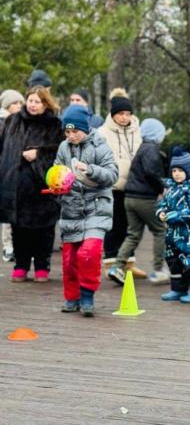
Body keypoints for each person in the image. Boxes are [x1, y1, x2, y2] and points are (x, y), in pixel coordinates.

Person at [55, 105, 118, 316]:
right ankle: (71, 297)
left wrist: (90, 170)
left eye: (75, 131)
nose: (71, 136)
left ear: (85, 129)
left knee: (89, 252)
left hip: (96, 208)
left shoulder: (100, 145)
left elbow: (112, 174)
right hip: (71, 209)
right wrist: (57, 184)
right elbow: (57, 170)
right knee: (70, 259)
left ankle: (87, 294)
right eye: (67, 132)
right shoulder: (63, 148)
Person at [0, 86, 63, 282]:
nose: (33, 105)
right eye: (30, 101)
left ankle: (42, 266)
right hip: (17, 184)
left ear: (45, 104)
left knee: (43, 230)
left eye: (38, 101)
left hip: (42, 186)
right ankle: (21, 265)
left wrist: (39, 153)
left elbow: (59, 151)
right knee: (19, 228)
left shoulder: (54, 124)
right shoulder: (13, 121)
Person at [108, 118, 169, 285]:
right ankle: (158, 270)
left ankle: (117, 267)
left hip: (130, 198)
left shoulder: (142, 147)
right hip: (145, 199)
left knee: (133, 235)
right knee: (160, 231)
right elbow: (151, 173)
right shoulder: (152, 150)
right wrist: (162, 187)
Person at [98, 88, 145, 282]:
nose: (124, 117)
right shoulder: (102, 133)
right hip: (113, 186)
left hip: (134, 186)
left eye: (128, 114)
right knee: (114, 225)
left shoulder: (137, 131)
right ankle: (110, 262)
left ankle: (128, 263)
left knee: (131, 226)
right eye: (120, 114)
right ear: (113, 114)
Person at [157, 148, 190, 303]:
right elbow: (162, 204)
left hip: (189, 234)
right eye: (174, 170)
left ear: (189, 171)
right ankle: (178, 289)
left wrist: (174, 216)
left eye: (180, 171)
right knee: (173, 260)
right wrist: (161, 212)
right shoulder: (171, 189)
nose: (176, 174)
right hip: (172, 233)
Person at [0, 89, 25, 262]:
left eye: (20, 103)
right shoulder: (3, 123)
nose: (18, 106)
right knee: (8, 212)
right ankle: (8, 246)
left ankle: (19, 247)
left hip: (18, 171)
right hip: (5, 171)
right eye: (15, 103)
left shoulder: (22, 122)